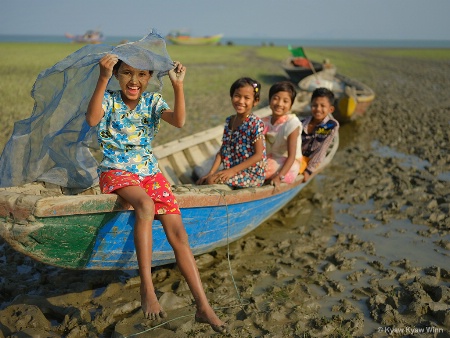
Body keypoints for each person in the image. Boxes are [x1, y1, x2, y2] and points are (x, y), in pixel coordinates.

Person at [86, 54, 227, 334]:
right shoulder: (110, 99)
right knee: (146, 206)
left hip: (150, 173)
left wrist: (178, 86)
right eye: (126, 73)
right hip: (116, 170)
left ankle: (203, 306)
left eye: (141, 75)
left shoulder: (152, 102)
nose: (134, 81)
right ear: (117, 75)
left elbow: (180, 121)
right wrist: (102, 78)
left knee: (179, 234)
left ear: (150, 78)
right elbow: (91, 119)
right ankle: (146, 288)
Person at [197, 77, 266, 188]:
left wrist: (232, 171)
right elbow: (223, 150)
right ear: (232, 96)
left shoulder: (255, 123)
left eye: (246, 98)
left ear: (255, 101)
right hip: (233, 170)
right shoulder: (230, 121)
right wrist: (211, 172)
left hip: (252, 175)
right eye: (237, 96)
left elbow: (259, 155)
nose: (241, 101)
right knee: (206, 179)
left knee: (211, 181)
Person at [262, 81, 302, 188]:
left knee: (257, 172)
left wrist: (279, 176)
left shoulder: (292, 124)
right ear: (270, 100)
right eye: (276, 98)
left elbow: (292, 156)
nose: (280, 104)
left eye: (285, 101)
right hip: (270, 158)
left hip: (288, 164)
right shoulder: (265, 121)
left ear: (290, 105)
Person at [301, 87, 339, 182]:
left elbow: (321, 150)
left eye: (323, 106)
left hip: (310, 160)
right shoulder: (302, 123)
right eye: (315, 105)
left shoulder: (330, 125)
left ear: (331, 109)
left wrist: (309, 170)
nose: (318, 109)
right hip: (297, 157)